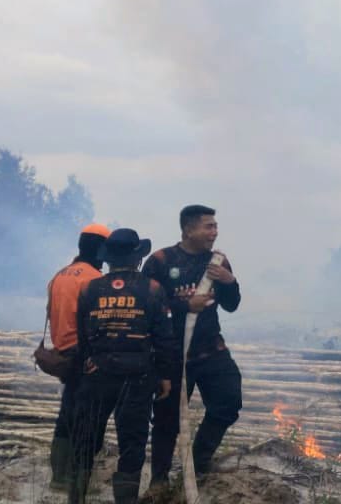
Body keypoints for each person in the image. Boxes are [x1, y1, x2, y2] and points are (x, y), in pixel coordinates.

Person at [69, 228, 177, 504]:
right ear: (137, 258)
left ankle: (75, 498)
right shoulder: (153, 290)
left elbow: (81, 336)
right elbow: (164, 338)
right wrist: (165, 376)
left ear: (108, 259)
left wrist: (85, 365)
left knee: (85, 440)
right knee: (132, 444)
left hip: (97, 375)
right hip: (138, 377)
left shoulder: (90, 289)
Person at [144, 205, 241, 487]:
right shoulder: (161, 261)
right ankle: (159, 481)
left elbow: (232, 306)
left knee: (229, 401)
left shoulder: (218, 262)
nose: (215, 232)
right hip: (171, 354)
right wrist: (185, 305)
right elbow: (148, 308)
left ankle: (198, 464)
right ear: (188, 230)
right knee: (166, 419)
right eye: (208, 226)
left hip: (211, 350)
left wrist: (230, 281)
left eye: (215, 226)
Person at [45, 223, 111, 487]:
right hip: (86, 356)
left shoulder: (60, 275)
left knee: (67, 413)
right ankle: (76, 476)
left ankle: (58, 475)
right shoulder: (94, 279)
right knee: (87, 418)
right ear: (102, 249)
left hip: (63, 354)